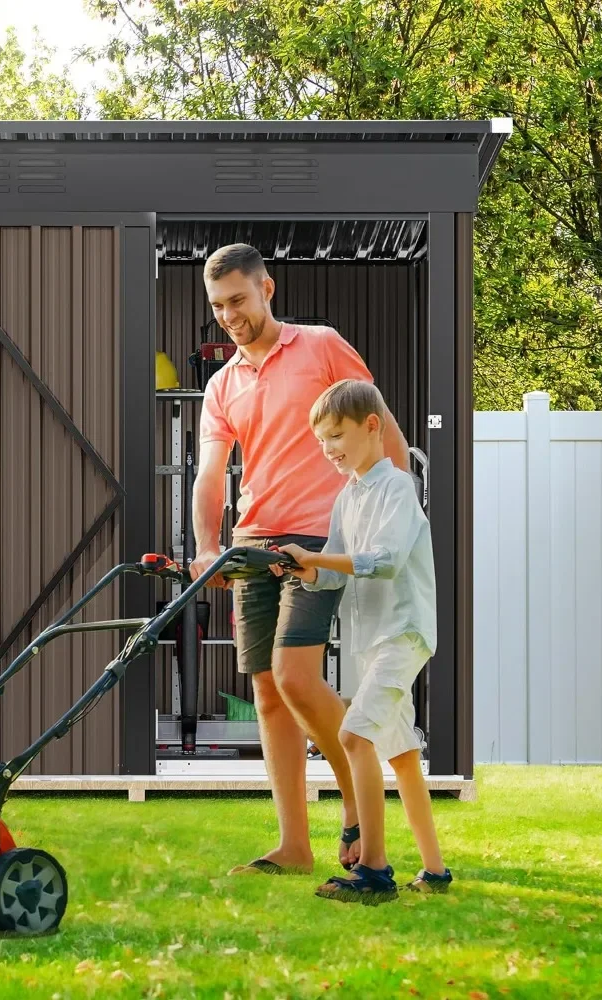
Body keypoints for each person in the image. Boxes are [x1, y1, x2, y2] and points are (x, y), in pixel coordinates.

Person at [189, 243, 410, 876]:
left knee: (295, 676)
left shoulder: (321, 346)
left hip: (320, 537)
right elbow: (211, 475)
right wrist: (208, 546)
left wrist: (395, 508)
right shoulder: (222, 384)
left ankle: (357, 808)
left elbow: (378, 423)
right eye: (218, 306)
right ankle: (293, 845)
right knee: (267, 694)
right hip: (253, 541)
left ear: (267, 289)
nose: (229, 315)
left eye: (238, 300)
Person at [276, 378, 451, 904]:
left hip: (403, 632)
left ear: (371, 427)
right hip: (370, 641)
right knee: (400, 757)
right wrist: (299, 570)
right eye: (322, 440)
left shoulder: (397, 489)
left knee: (354, 736)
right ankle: (436, 872)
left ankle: (375, 870)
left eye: (336, 435)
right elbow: (332, 574)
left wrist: (318, 561)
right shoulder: (346, 496)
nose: (328, 449)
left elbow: (384, 561)